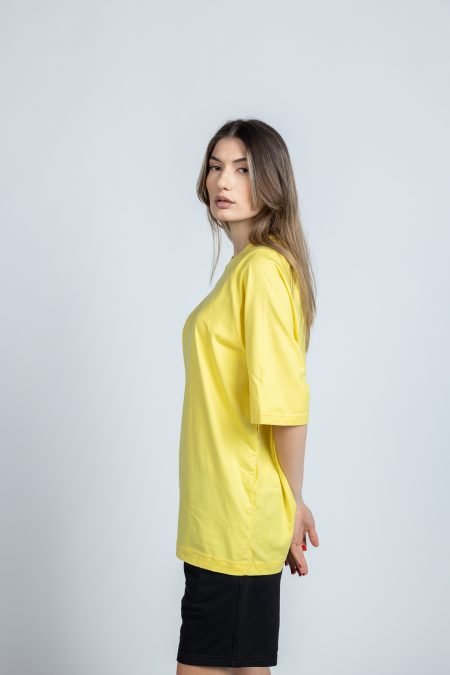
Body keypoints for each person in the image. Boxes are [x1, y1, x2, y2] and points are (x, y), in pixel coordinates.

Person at [175, 118, 320, 674]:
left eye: (242, 168)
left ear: (272, 182)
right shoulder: (246, 268)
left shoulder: (260, 270)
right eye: (216, 166)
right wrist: (291, 501)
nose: (223, 180)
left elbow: (286, 407)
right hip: (223, 516)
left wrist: (290, 504)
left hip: (237, 519)